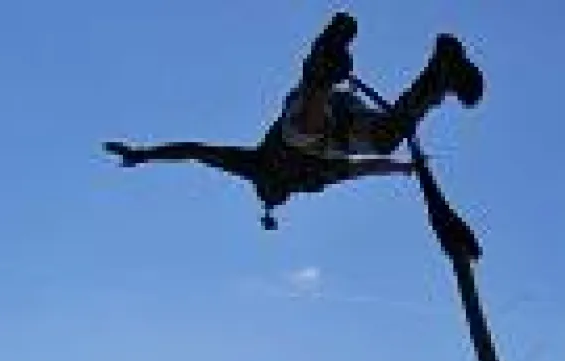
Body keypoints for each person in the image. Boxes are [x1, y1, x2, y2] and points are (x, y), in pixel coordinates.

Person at [103, 12, 484, 229]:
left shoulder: (254, 166)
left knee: (304, 133)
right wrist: (401, 167)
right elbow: (365, 166)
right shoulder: (314, 181)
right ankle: (439, 75)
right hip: (343, 125)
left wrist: (143, 154)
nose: (276, 188)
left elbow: (194, 151)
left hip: (310, 113)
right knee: (386, 136)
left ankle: (321, 68)